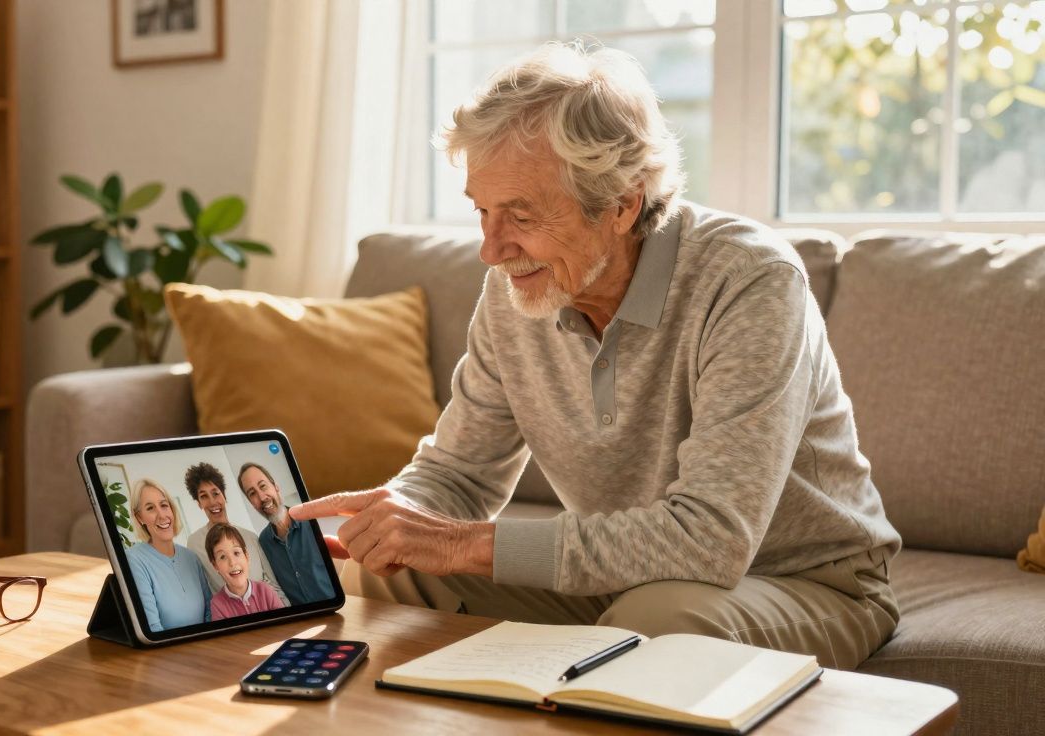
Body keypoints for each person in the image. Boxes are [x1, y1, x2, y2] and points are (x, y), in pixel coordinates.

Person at [290, 42, 901, 670]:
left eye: (521, 215)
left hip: (807, 581)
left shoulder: (749, 279)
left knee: (661, 623)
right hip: (624, 577)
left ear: (621, 204)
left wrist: (464, 544)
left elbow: (712, 539)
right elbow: (460, 476)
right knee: (395, 574)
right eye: (482, 211)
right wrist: (393, 521)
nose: (491, 250)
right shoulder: (516, 292)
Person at [183, 462, 290, 606]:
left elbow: (273, 585)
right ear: (199, 503)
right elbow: (204, 592)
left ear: (224, 496)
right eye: (204, 496)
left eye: (216, 493)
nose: (213, 501)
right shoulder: (195, 543)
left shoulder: (251, 537)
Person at [239, 462, 335, 606]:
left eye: (263, 485)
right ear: (252, 503)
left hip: (333, 608)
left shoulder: (311, 520)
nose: (262, 496)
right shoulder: (263, 542)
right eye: (252, 493)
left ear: (276, 487)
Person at [124, 478, 212, 631]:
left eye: (164, 505)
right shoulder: (134, 559)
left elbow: (210, 612)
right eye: (150, 508)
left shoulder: (191, 558)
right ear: (139, 518)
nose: (161, 515)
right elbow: (152, 627)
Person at [206, 523, 284, 621]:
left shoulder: (266, 590)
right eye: (222, 557)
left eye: (236, 553)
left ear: (246, 556)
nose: (232, 563)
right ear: (215, 565)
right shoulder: (217, 605)